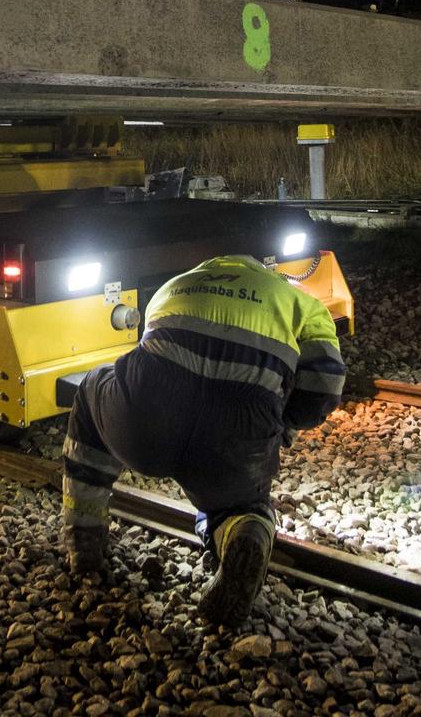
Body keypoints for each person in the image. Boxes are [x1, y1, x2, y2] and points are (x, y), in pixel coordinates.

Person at [61, 254, 347, 627]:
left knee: (90, 392)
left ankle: (84, 540)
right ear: (263, 272)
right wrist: (282, 424)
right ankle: (243, 527)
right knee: (240, 503)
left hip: (146, 424)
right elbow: (326, 384)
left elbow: (148, 356)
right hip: (236, 437)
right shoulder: (297, 300)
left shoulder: (176, 285)